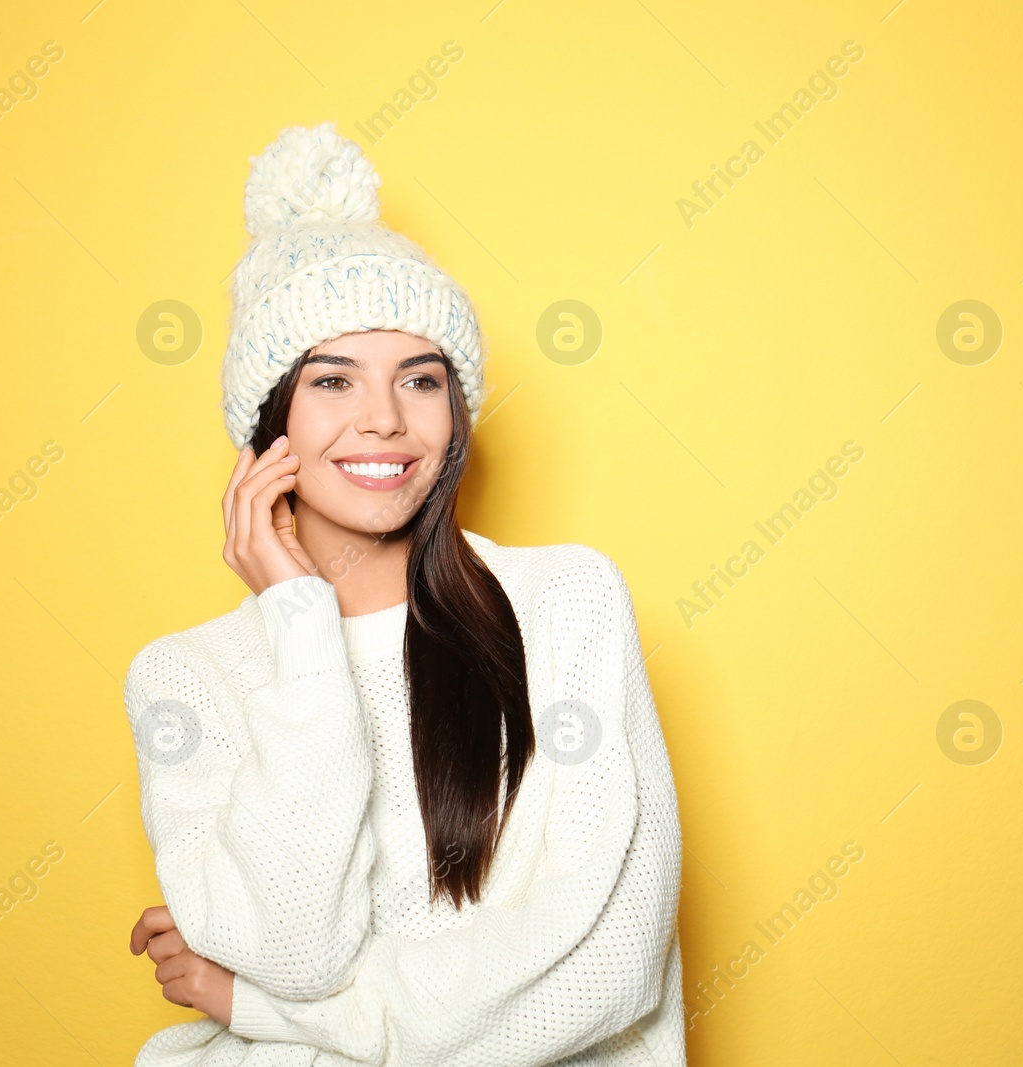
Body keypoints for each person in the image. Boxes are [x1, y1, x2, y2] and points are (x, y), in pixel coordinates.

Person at [123, 122, 685, 1066]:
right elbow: (298, 951)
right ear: (271, 427)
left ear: (454, 410)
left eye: (419, 379)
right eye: (333, 379)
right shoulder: (185, 679)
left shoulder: (566, 605)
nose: (382, 418)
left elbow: (605, 969)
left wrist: (258, 1004)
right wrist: (299, 633)